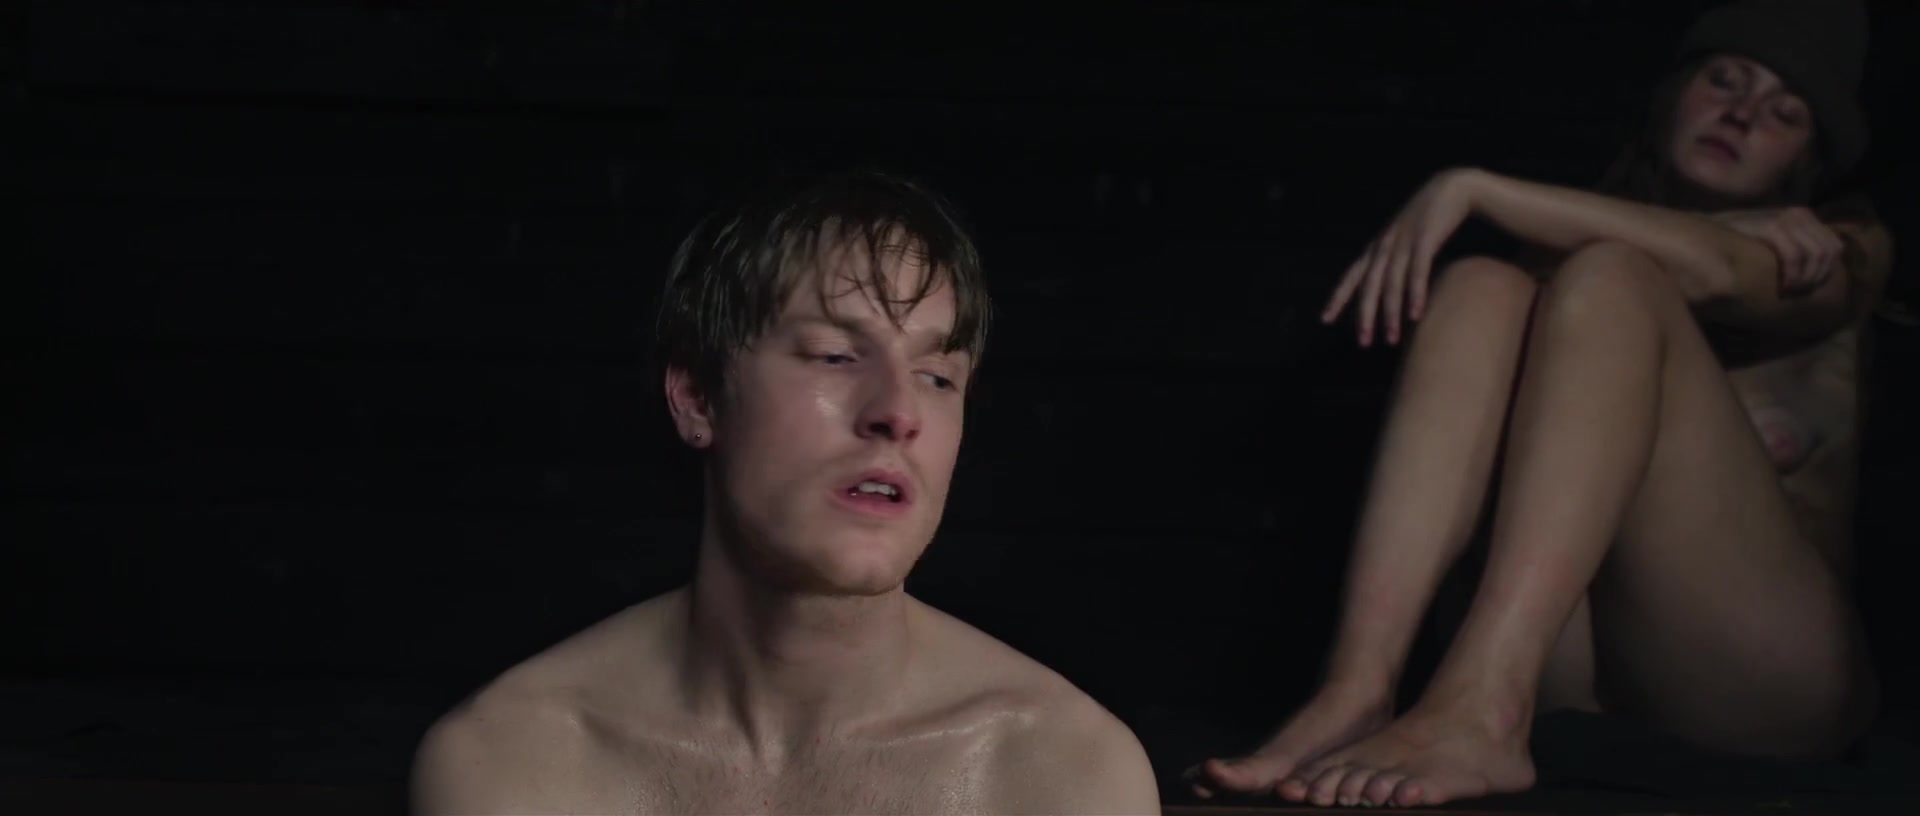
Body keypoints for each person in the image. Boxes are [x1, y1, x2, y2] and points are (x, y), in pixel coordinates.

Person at [1191, 0, 1895, 808]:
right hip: (1587, 679)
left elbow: (1719, 270)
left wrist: (1472, 186)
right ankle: (1355, 688)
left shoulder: (1832, 249)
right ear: (1672, 95)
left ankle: (1484, 707)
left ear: (1809, 160)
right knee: (1482, 288)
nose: (1743, 113)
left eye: (1785, 113)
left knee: (1612, 276)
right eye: (1724, 80)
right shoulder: (1560, 260)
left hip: (1766, 683)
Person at [410, 172, 1160, 815]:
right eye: (835, 355)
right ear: (697, 397)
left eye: (937, 377)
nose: (897, 411)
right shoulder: (515, 763)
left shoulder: (1064, 773)